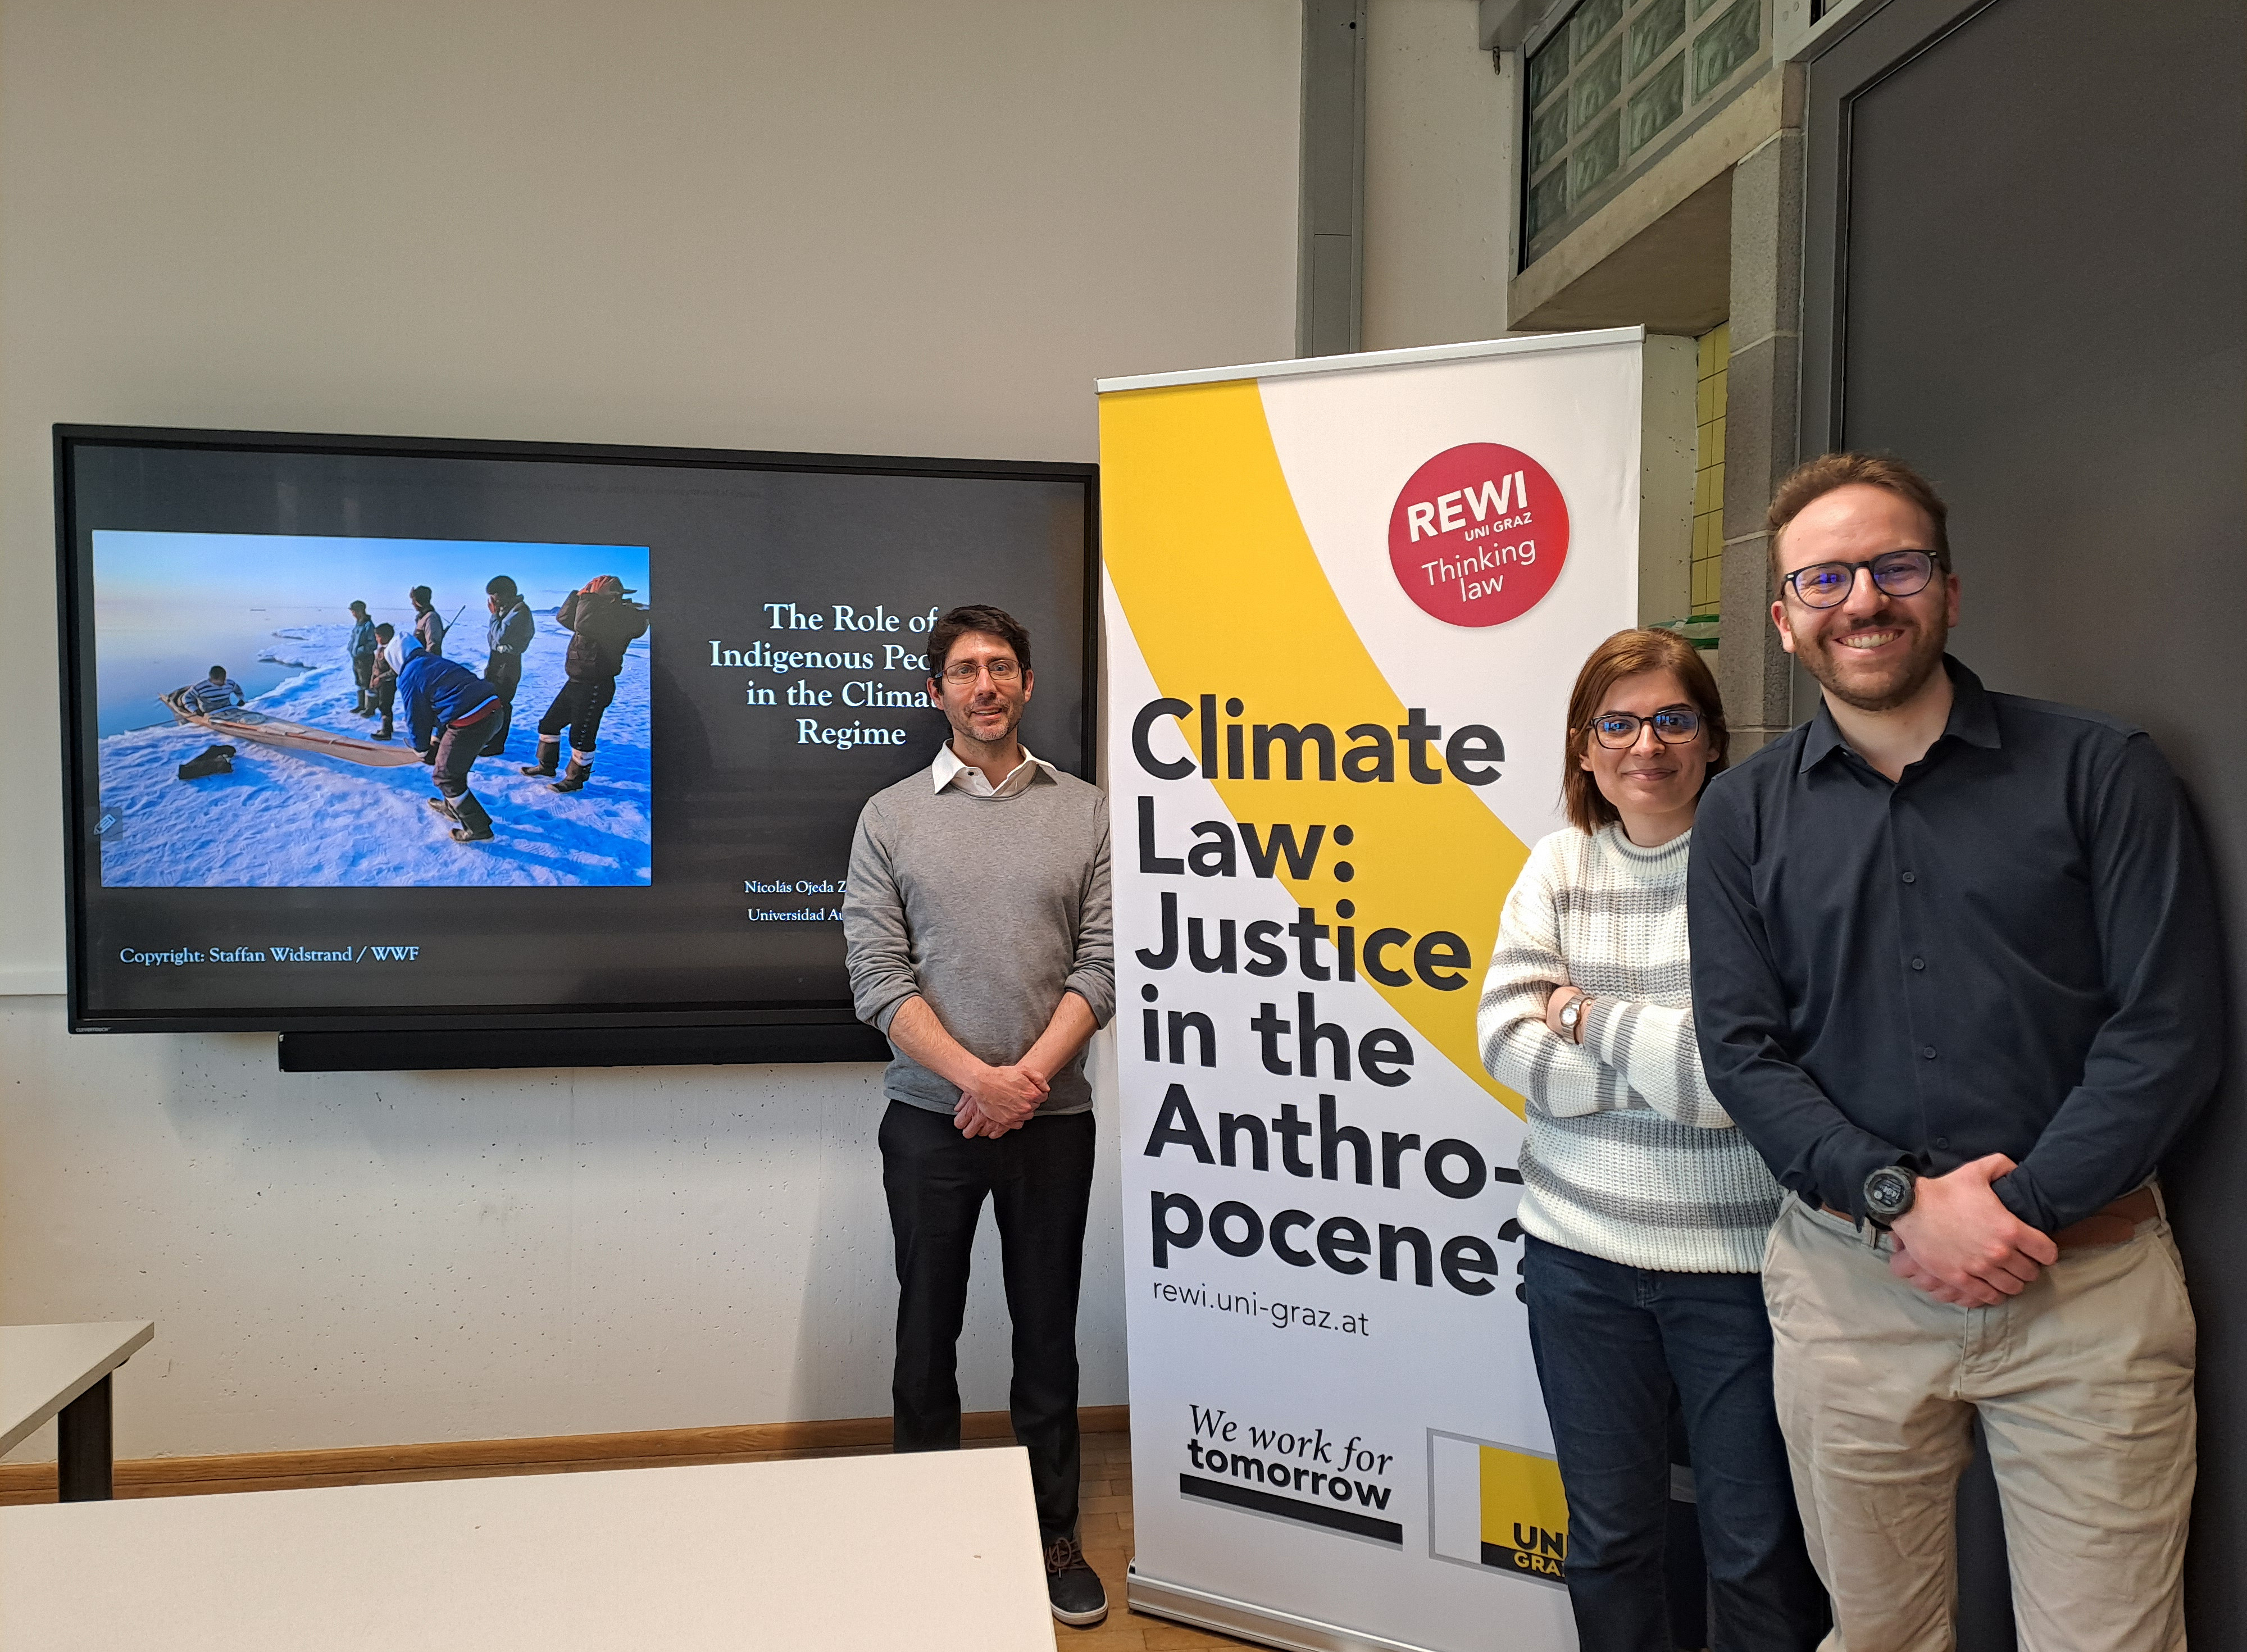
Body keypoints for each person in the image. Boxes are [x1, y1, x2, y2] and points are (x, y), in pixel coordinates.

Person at [1689, 453, 2222, 1652]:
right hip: (1847, 1297)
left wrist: (2011, 1214)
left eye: (1896, 566)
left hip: (2088, 1294)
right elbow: (1742, 1052)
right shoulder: (1742, 815)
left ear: (1949, 590)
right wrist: (1898, 1203)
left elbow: (2166, 1030)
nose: (1862, 600)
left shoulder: (2101, 771)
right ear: (1784, 620)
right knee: (1877, 1637)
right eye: (1824, 578)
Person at [1478, 628, 1825, 1652]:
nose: (1647, 745)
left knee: (1758, 1554)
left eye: (1674, 719)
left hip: (1741, 1271)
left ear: (1713, 738)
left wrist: (1583, 1014)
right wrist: (1670, 1062)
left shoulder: (1766, 869)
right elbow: (1503, 1039)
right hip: (1577, 1265)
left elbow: (1732, 1084)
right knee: (1608, 1545)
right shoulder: (1558, 865)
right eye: (1618, 724)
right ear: (1583, 747)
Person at [839, 604, 1113, 1630]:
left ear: (1028, 684)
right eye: (964, 670)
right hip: (929, 1121)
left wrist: (1025, 1081)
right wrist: (975, 1081)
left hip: (1053, 1118)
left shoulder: (1086, 812)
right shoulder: (889, 816)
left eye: (1002, 666)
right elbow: (877, 976)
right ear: (936, 692)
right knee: (926, 1335)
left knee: (1047, 1337)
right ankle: (927, 1531)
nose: (985, 685)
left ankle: (1053, 1534)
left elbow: (1103, 964)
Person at [521, 575, 647, 793]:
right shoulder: (596, 613)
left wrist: (589, 599)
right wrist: (578, 595)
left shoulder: (622, 617)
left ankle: (575, 779)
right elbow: (564, 618)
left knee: (581, 736)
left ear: (613, 597)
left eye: (594, 593)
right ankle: (547, 766)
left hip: (596, 684)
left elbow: (584, 624)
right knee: (549, 725)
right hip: (575, 682)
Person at [390, 632, 500, 843]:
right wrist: (438, 738)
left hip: (472, 721)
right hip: (493, 712)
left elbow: (417, 716)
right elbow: (447, 699)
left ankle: (478, 829)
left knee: (445, 776)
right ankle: (452, 808)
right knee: (453, 764)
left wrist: (421, 749)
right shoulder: (433, 661)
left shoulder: (409, 675)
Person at [480, 574, 535, 759]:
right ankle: (489, 739)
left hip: (508, 664)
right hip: (497, 661)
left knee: (502, 703)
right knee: (491, 701)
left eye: (494, 596)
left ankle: (497, 744)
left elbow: (501, 637)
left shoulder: (520, 611)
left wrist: (494, 616)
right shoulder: (508, 610)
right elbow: (493, 640)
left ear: (504, 594)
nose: (492, 601)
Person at [368, 622, 400, 740]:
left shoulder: (391, 651)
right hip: (379, 684)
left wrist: (380, 678)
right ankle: (388, 727)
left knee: (385, 706)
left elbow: (394, 671)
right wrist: (373, 680)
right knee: (382, 705)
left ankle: (386, 732)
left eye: (378, 637)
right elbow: (375, 667)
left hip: (388, 685)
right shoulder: (380, 650)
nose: (376, 639)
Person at [347, 600, 378, 716]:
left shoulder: (368, 625)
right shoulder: (358, 624)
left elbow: (372, 644)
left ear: (360, 611)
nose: (353, 614)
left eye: (354, 612)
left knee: (368, 683)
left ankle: (370, 709)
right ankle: (362, 705)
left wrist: (360, 651)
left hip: (366, 660)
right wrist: (351, 649)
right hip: (357, 659)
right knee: (359, 682)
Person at [174, 665, 246, 716]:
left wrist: (241, 699)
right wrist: (195, 710)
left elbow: (238, 691)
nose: (224, 683)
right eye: (220, 680)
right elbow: (187, 698)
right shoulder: (200, 687)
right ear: (212, 679)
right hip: (210, 713)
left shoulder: (230, 684)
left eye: (224, 679)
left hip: (229, 710)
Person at [410, 584, 445, 657]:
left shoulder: (431, 617)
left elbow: (433, 648)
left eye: (413, 600)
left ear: (418, 602)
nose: (412, 603)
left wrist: (426, 661)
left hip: (427, 661)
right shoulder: (423, 617)